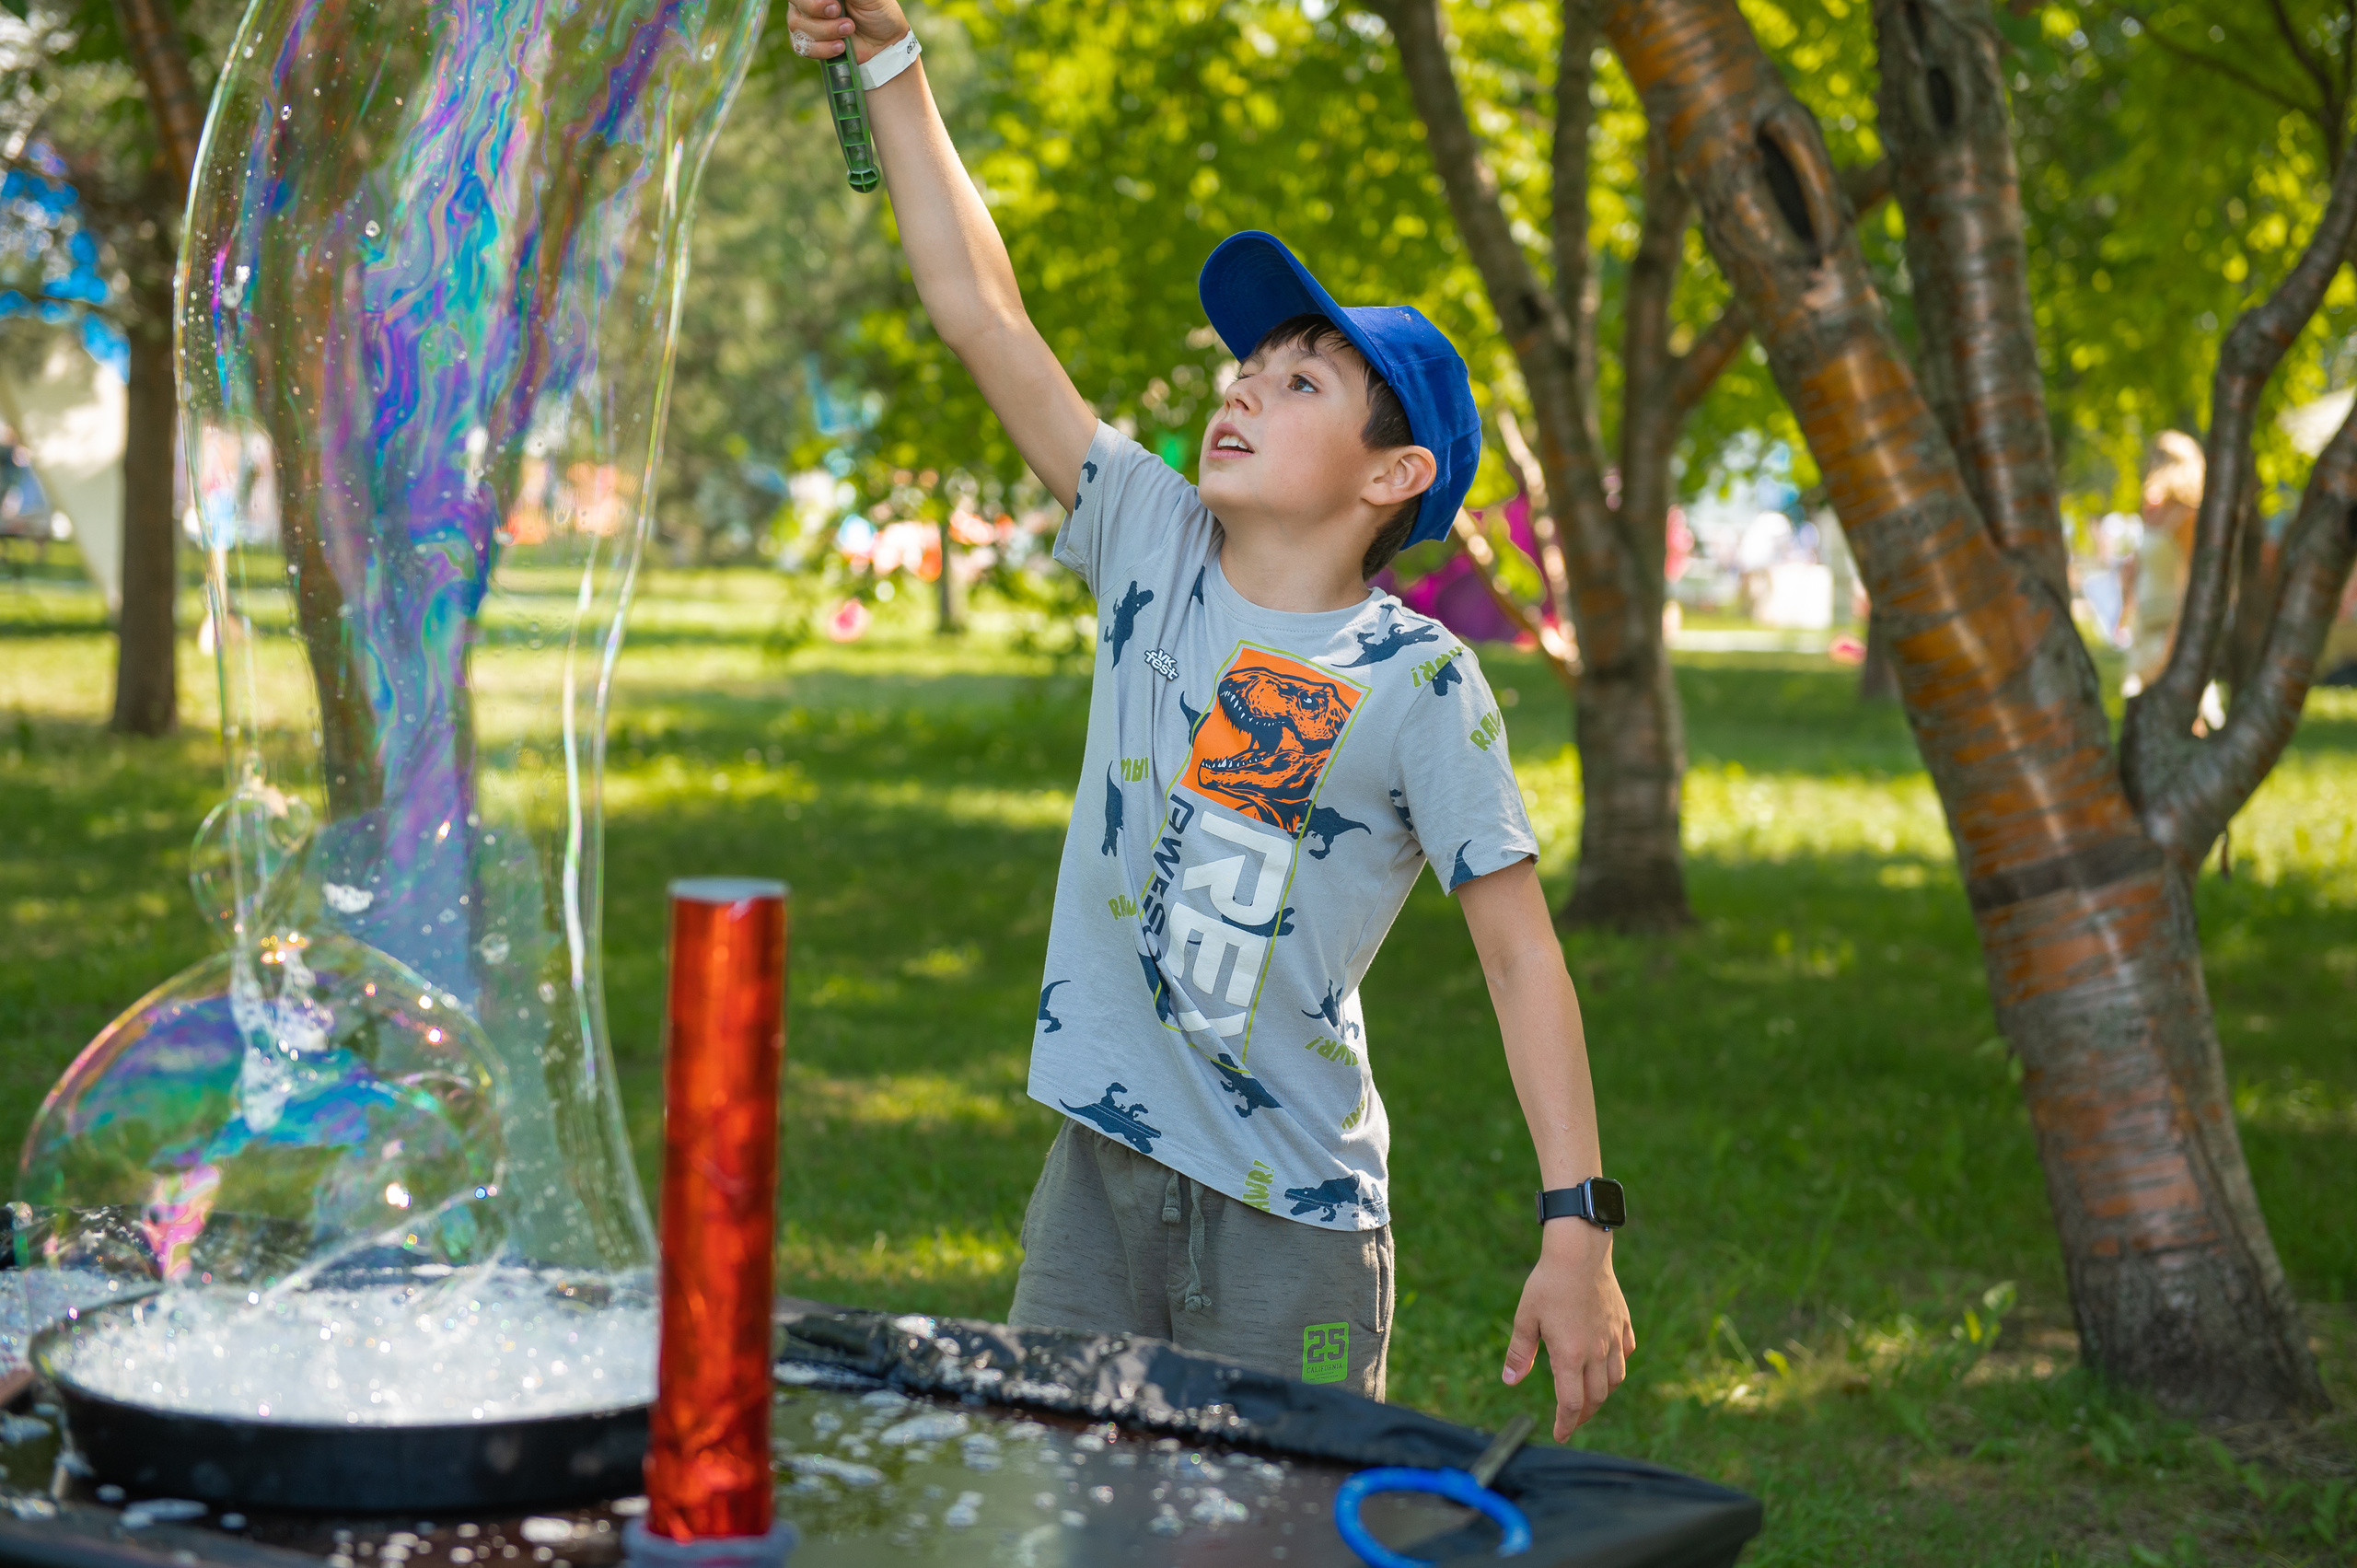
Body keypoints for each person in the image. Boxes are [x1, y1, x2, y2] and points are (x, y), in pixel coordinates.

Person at [783, 0, 1634, 1440]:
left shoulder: (1420, 679)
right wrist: (890, 59)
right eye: (1249, 365)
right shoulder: (1147, 541)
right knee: (1060, 1505)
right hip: (1096, 1180)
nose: (1245, 385)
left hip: (1291, 1219)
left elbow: (1517, 958)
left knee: (1261, 1534)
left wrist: (1578, 1224)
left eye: (1303, 381)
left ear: (1390, 478)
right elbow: (980, 309)